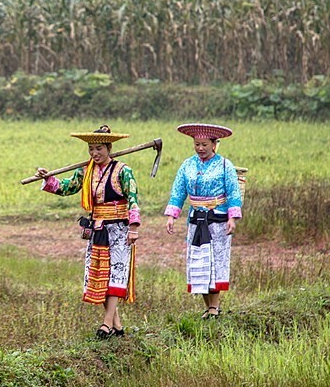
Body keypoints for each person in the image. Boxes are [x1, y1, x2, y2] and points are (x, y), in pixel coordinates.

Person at [33, 125, 141, 339]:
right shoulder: (85, 171)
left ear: (109, 147)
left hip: (119, 229)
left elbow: (133, 199)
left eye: (99, 148)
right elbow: (66, 188)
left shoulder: (123, 170)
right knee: (100, 275)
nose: (94, 153)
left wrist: (134, 228)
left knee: (115, 275)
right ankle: (117, 326)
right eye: (91, 149)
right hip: (98, 229)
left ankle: (106, 324)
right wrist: (48, 178)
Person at [164, 123, 243, 319]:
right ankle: (208, 307)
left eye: (204, 144)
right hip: (195, 220)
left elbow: (233, 193)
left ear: (215, 144)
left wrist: (232, 218)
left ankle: (215, 308)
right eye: (197, 144)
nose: (200, 148)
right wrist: (171, 216)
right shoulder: (187, 165)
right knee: (199, 263)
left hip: (217, 220)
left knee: (215, 262)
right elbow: (178, 191)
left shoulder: (226, 165)